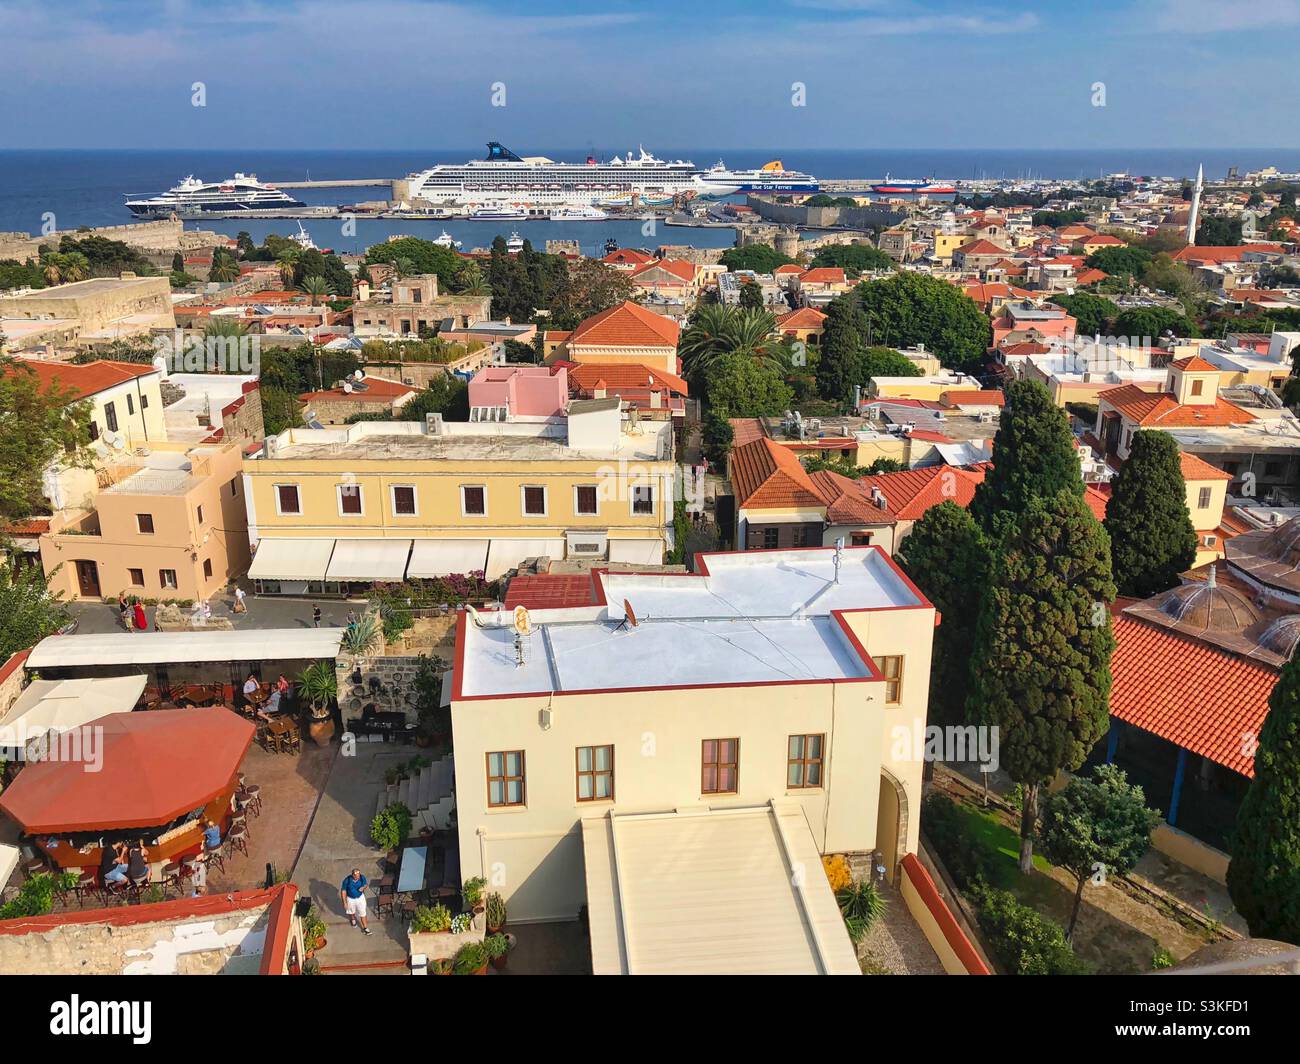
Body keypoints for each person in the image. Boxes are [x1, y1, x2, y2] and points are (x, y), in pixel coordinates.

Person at [340, 869, 371, 935]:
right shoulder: (347, 880)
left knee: (363, 912)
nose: (358, 877)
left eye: (359, 875)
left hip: (360, 898)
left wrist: (363, 887)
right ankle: (353, 920)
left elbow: (366, 885)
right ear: (353, 875)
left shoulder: (362, 877)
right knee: (351, 911)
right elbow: (343, 891)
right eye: (356, 875)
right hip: (350, 899)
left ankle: (365, 928)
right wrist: (344, 902)